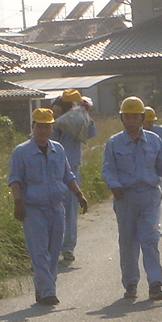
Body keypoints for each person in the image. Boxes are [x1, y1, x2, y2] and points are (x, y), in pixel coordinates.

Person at [101, 97, 162, 301]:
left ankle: (155, 283)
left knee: (149, 239)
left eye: (135, 117)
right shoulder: (114, 143)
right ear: (122, 118)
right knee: (128, 242)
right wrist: (114, 185)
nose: (131, 121)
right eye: (127, 117)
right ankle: (130, 283)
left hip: (149, 196)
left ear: (142, 118)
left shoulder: (154, 140)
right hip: (125, 198)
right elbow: (108, 169)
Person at [9, 107, 87, 306]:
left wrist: (79, 195)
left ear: (52, 128)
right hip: (33, 209)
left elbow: (68, 175)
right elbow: (15, 180)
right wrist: (18, 204)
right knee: (39, 252)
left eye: (47, 127)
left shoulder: (58, 149)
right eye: (40, 127)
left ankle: (43, 287)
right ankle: (48, 292)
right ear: (32, 127)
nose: (43, 131)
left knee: (53, 253)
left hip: (56, 207)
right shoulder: (21, 152)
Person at [51, 89, 97, 265]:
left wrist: (85, 114)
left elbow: (91, 133)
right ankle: (53, 248)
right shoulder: (50, 126)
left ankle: (68, 248)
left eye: (57, 111)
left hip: (71, 171)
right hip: (52, 173)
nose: (55, 114)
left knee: (70, 212)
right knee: (53, 212)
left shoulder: (77, 122)